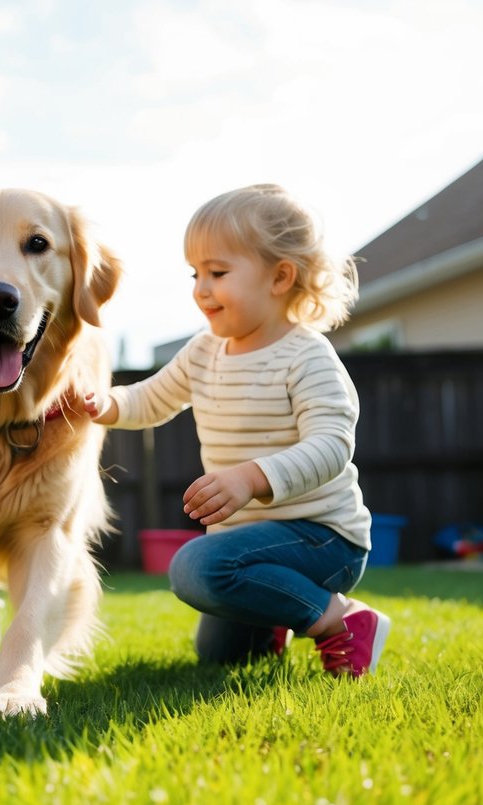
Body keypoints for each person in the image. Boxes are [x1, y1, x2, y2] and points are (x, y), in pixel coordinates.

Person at [84, 184, 389, 677]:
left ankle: (342, 621)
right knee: (222, 655)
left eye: (218, 273)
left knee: (195, 568)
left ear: (280, 277)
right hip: (251, 544)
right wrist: (104, 402)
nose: (201, 289)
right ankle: (276, 620)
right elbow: (151, 398)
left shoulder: (306, 356)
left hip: (323, 541)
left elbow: (332, 445)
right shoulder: (204, 351)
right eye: (195, 274)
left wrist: (250, 478)